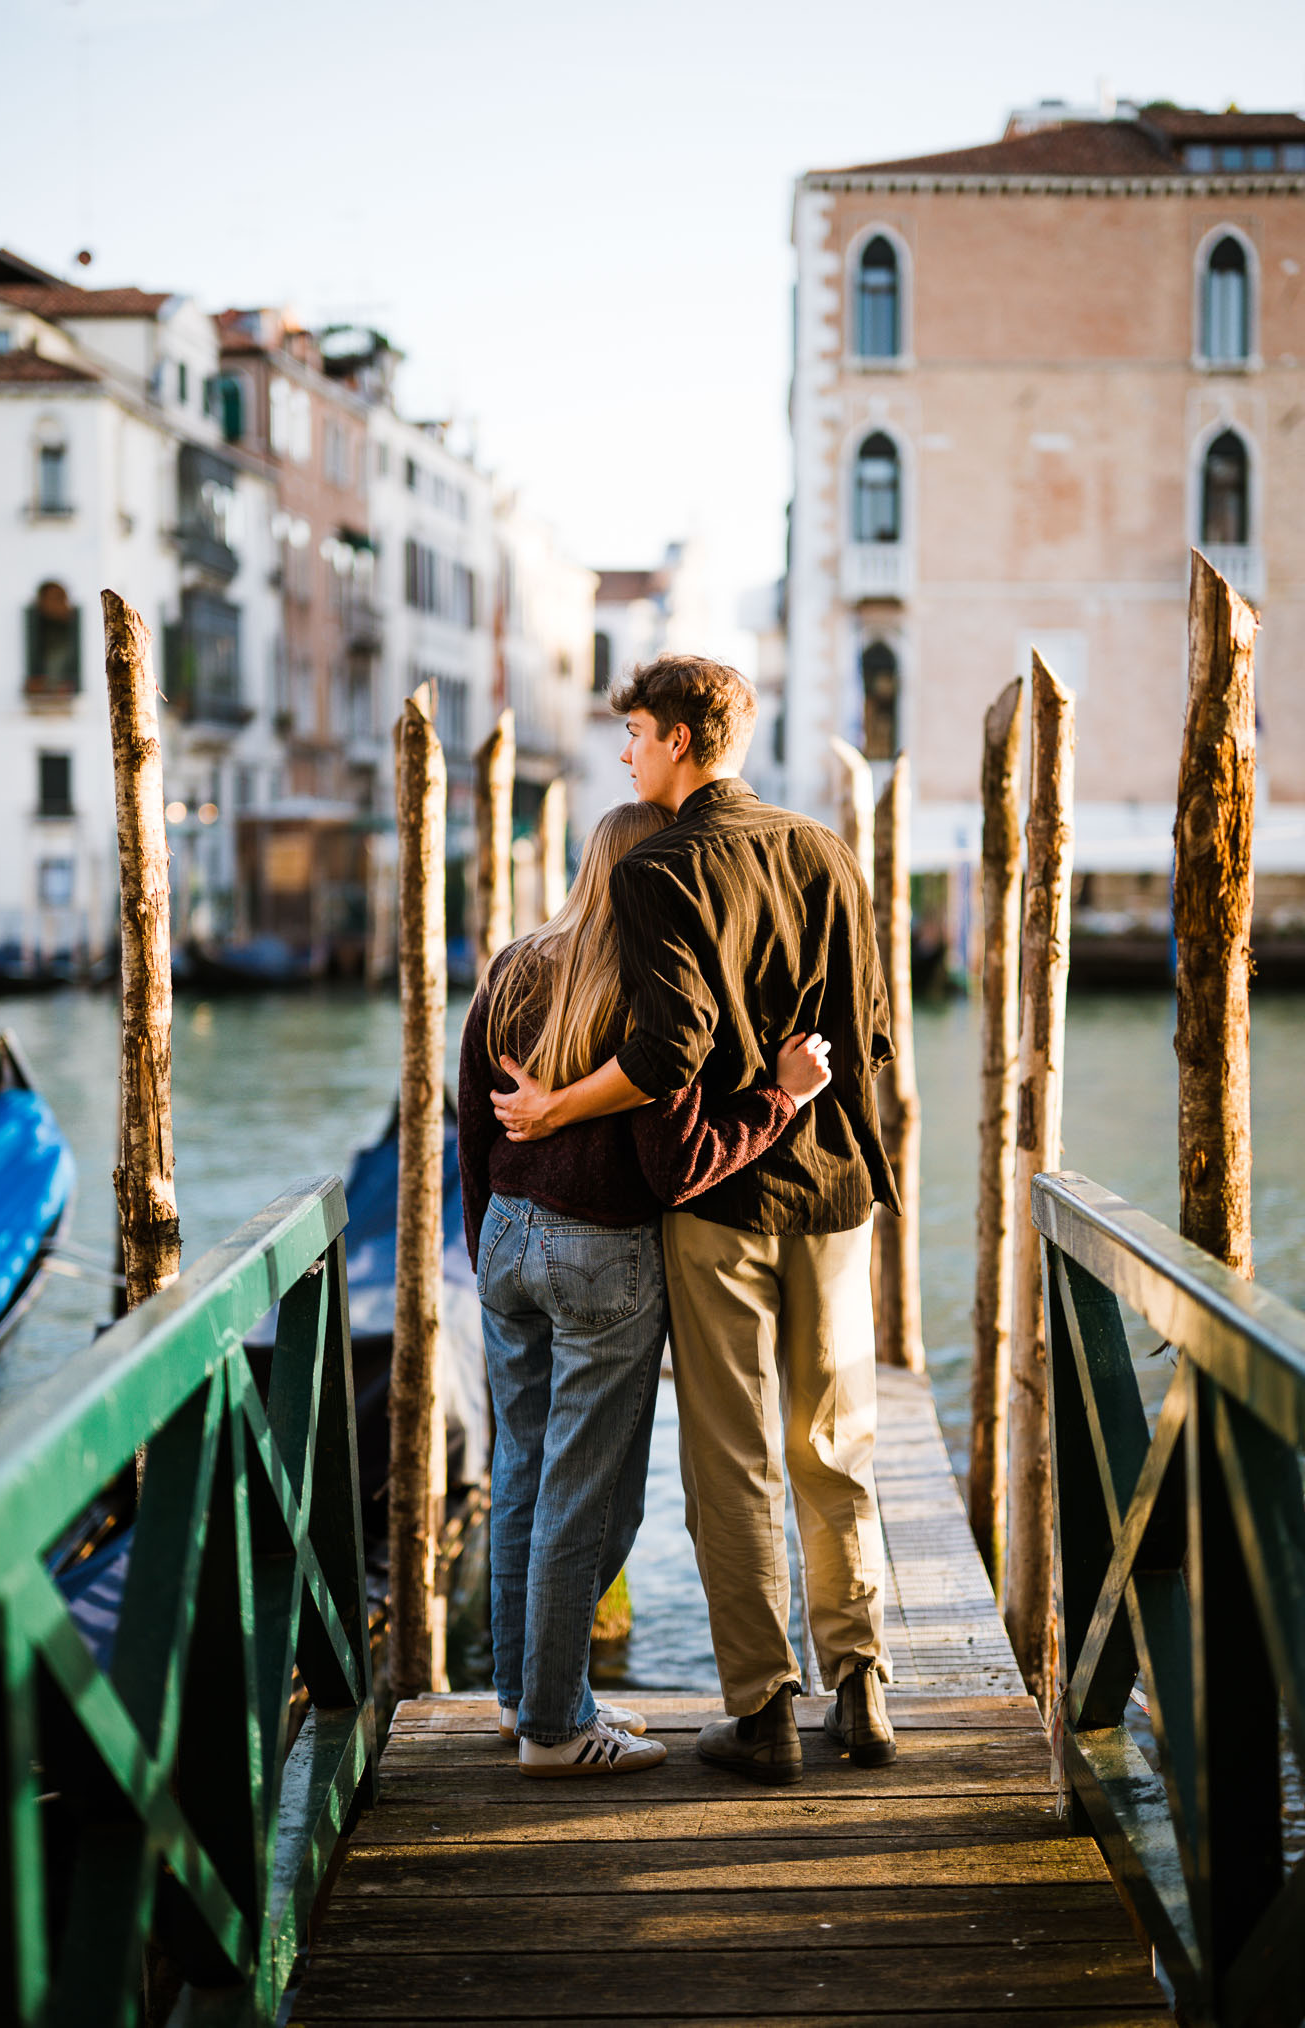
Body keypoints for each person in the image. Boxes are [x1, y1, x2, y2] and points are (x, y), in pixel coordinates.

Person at [492, 654, 900, 1786]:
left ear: (678, 737)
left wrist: (552, 1109)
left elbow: (662, 1056)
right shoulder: (825, 851)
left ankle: (764, 1707)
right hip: (830, 1187)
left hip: (714, 1196)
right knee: (836, 1443)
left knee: (732, 1457)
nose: (623, 753)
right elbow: (867, 1034)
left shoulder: (654, 869)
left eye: (631, 734)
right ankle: (861, 1684)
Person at [458, 798, 832, 1778]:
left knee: (523, 1477)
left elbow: (469, 1127)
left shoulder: (511, 966)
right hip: (601, 1257)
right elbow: (682, 1164)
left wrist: (485, 1243)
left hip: (505, 1239)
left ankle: (525, 1698)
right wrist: (782, 1096)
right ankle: (553, 1726)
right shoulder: (646, 991)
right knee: (591, 1501)